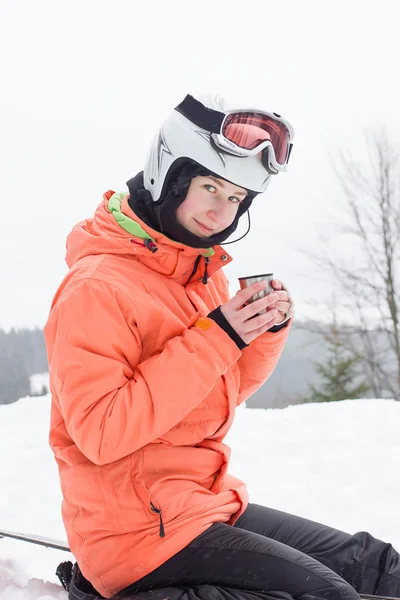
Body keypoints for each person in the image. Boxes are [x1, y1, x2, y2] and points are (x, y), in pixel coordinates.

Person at [45, 94, 400, 600]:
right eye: (210, 186)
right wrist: (221, 335)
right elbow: (101, 433)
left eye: (235, 198)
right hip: (136, 535)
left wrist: (260, 330)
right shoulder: (97, 287)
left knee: (376, 567)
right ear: (168, 177)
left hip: (199, 505)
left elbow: (217, 394)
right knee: (330, 594)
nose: (220, 209)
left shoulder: (198, 271)